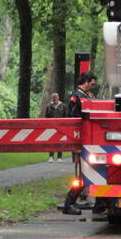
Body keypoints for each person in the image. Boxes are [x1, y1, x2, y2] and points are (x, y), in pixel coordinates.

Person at [62, 72, 98, 215]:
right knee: (83, 174)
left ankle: (99, 203)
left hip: (88, 139)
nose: (93, 87)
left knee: (89, 172)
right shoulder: (77, 97)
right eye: (92, 84)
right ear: (86, 82)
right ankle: (68, 203)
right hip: (81, 139)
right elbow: (75, 119)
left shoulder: (85, 96)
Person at [43, 92, 67, 162]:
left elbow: (65, 116)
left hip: (61, 127)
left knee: (60, 141)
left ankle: (59, 157)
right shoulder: (48, 107)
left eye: (55, 97)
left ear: (58, 98)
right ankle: (51, 156)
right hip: (51, 127)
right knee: (51, 141)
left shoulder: (63, 106)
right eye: (53, 97)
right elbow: (46, 117)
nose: (54, 99)